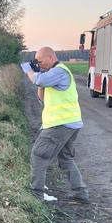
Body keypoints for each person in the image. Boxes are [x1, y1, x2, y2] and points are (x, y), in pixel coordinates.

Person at [20, 47, 89, 203]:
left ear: (51, 58)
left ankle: (36, 195)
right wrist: (40, 74)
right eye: (36, 62)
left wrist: (30, 71)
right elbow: (41, 96)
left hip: (60, 125)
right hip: (69, 124)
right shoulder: (52, 73)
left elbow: (38, 80)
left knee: (38, 155)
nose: (39, 64)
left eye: (40, 61)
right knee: (65, 158)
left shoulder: (60, 71)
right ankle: (81, 193)